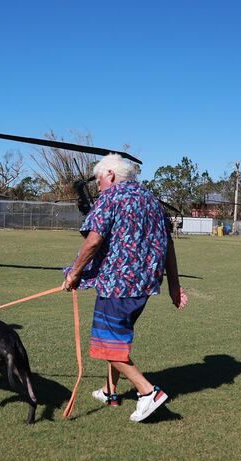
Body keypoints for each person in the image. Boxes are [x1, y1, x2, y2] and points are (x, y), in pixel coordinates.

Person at [63, 153, 188, 422]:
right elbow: (170, 245)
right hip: (143, 286)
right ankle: (110, 391)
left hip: (117, 285)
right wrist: (174, 287)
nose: (97, 186)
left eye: (98, 180)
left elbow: (93, 241)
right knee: (117, 339)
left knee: (105, 346)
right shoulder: (151, 200)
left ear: (110, 174)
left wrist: (74, 274)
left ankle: (147, 392)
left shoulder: (111, 197)